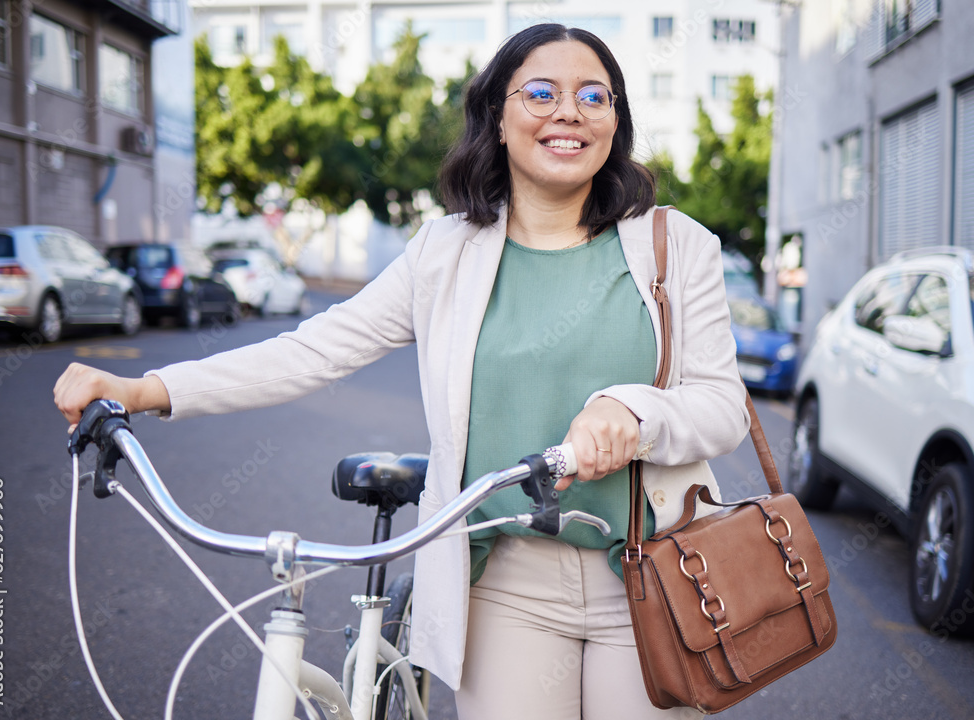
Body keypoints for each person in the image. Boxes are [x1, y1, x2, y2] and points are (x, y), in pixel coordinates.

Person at [54, 23, 749, 720]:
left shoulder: (676, 245)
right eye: (541, 92)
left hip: (655, 573)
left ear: (615, 122)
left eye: (594, 95)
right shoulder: (445, 252)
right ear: (498, 119)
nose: (569, 111)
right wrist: (142, 390)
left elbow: (722, 406)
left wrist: (636, 413)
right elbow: (312, 349)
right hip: (504, 583)